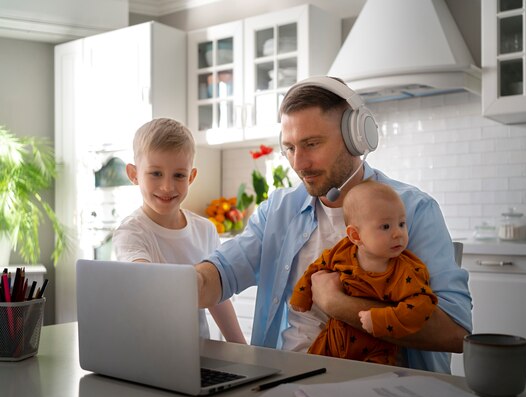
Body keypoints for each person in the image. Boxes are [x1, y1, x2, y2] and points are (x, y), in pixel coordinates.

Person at [196, 76, 472, 372]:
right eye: (289, 148)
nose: (299, 163)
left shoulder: (414, 211)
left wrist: (338, 305)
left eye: (311, 144)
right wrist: (184, 284)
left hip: (384, 390)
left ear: (356, 137)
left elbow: (456, 332)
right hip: (282, 383)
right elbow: (222, 272)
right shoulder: (279, 209)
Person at [113, 117, 246, 344]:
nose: (167, 186)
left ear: (191, 177)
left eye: (179, 175)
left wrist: (241, 347)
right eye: (155, 173)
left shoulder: (205, 229)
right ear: (134, 174)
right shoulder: (131, 232)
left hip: (197, 354)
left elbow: (217, 295)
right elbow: (145, 279)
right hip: (147, 352)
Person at [289, 181, 437, 365]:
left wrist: (381, 320)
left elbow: (422, 305)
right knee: (313, 372)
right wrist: (301, 295)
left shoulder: (406, 270)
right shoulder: (343, 251)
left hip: (376, 350)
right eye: (386, 227)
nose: (398, 233)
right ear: (356, 236)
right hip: (333, 339)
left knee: (373, 381)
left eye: (401, 224)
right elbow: (317, 267)